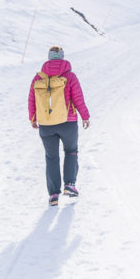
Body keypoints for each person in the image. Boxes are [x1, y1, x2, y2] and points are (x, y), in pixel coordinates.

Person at [28, 45, 91, 206]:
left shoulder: (38, 78)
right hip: (67, 123)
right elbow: (78, 98)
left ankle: (53, 194)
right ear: (62, 57)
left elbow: (32, 100)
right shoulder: (69, 76)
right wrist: (85, 116)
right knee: (71, 151)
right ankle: (69, 185)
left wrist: (33, 119)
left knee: (51, 158)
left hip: (46, 125)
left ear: (48, 58)